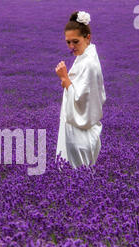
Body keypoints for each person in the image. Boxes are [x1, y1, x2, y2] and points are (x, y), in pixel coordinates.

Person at [55, 11, 106, 169]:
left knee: (78, 176)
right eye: (68, 42)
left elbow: (80, 101)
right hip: (77, 131)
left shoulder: (88, 63)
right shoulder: (85, 56)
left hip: (80, 134)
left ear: (87, 37)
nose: (71, 47)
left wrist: (64, 78)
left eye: (75, 42)